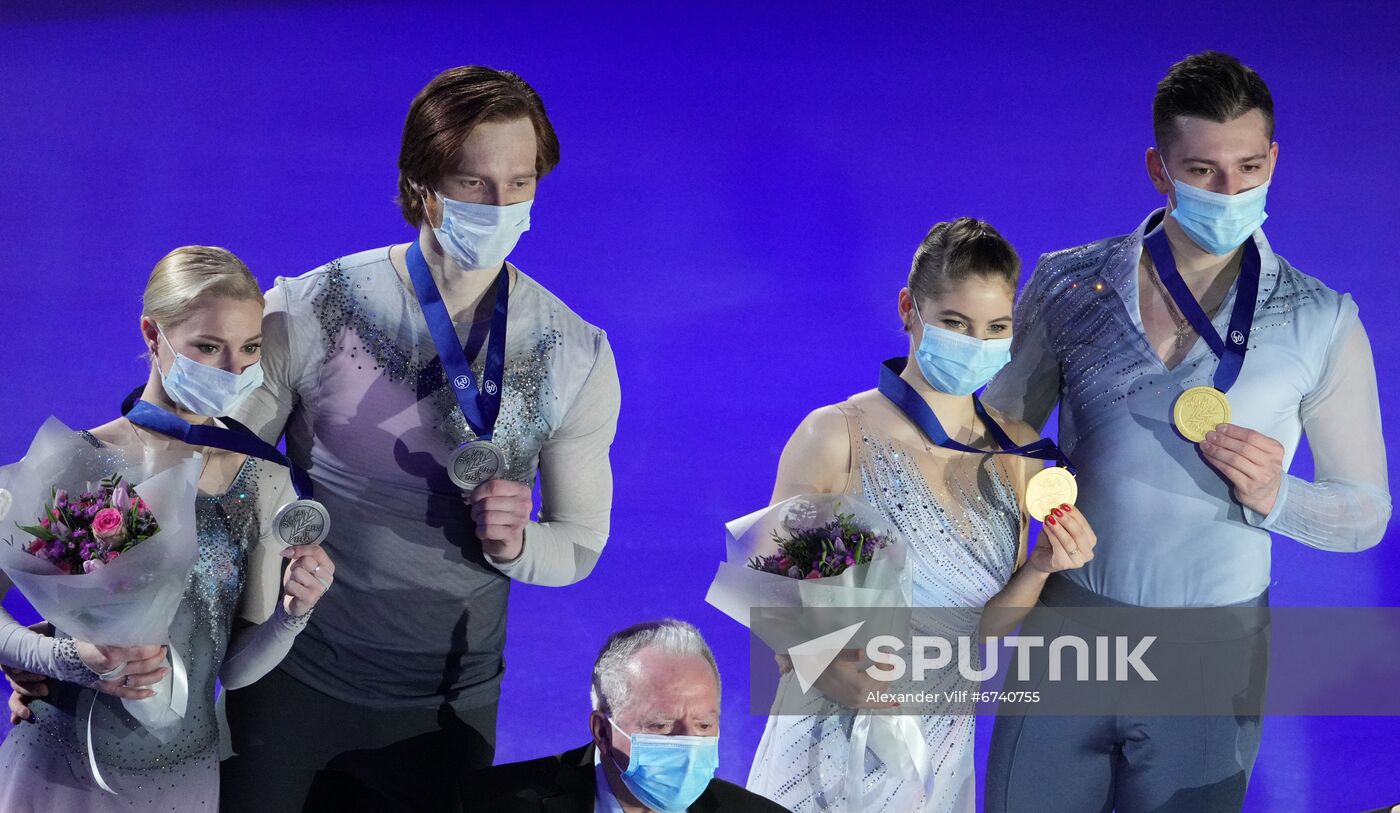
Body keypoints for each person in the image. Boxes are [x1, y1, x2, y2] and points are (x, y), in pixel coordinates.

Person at [981, 51, 1390, 812]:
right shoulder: (1070, 284)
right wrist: (1028, 511)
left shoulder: (1322, 318)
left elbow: (1366, 512)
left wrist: (1279, 497)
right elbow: (997, 439)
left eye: (1247, 166)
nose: (1229, 191)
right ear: (1158, 166)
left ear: (1274, 159)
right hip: (1071, 626)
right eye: (1201, 170)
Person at [219, 66, 621, 812]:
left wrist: (519, 545)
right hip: (293, 674)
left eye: (521, 182)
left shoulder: (575, 352)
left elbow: (582, 540)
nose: (501, 205)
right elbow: (208, 477)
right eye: (474, 183)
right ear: (421, 185)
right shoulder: (312, 309)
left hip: (447, 705)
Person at [744, 219, 1097, 812]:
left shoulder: (1017, 455)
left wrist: (1038, 567)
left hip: (939, 750)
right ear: (910, 308)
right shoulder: (837, 434)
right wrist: (827, 666)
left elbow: (978, 631)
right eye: (956, 324)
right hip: (825, 745)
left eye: (996, 329)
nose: (975, 343)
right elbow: (768, 595)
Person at [0, 246, 333, 810]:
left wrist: (292, 616)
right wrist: (58, 659)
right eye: (208, 347)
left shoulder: (264, 479)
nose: (233, 370)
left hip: (182, 772)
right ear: (153, 336)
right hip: (60, 764)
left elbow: (235, 667)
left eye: (249, 348)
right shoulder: (79, 461)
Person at [461, 618, 789, 813]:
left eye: (704, 725)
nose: (688, 745)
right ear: (602, 731)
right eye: (660, 726)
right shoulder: (489, 804)